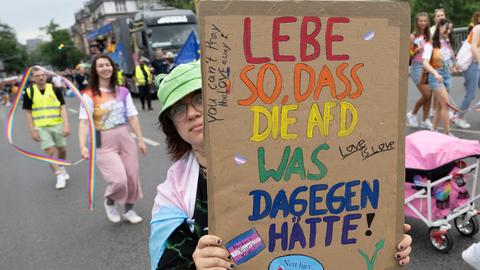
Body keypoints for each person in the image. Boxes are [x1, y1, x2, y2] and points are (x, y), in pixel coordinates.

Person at [149, 62, 413, 270]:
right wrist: (199, 264)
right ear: (172, 125)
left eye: (199, 99)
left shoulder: (288, 160)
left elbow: (335, 219)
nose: (192, 112)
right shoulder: (174, 197)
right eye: (178, 109)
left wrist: (384, 241)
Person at [78, 55, 147, 224]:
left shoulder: (122, 91)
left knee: (132, 177)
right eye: (100, 66)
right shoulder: (88, 95)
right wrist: (82, 146)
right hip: (103, 139)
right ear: (95, 70)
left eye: (107, 65)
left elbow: (132, 117)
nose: (105, 68)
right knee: (118, 180)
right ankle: (110, 200)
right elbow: (84, 122)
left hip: (125, 137)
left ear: (112, 67)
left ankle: (129, 210)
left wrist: (140, 139)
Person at [22, 66, 70, 189]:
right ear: (33, 78)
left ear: (46, 76)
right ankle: (58, 175)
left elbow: (62, 107)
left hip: (57, 123)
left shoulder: (54, 89)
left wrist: (66, 125)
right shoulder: (29, 92)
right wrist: (31, 130)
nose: (40, 77)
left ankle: (62, 166)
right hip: (41, 127)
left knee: (62, 149)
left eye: (42, 75)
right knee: (49, 151)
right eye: (37, 76)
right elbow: (28, 112)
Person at [422, 18, 455, 137]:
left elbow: (448, 60)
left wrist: (453, 66)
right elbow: (425, 63)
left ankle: (433, 130)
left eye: (450, 28)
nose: (449, 31)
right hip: (435, 77)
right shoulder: (430, 44)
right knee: (445, 104)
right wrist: (435, 73)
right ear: (439, 27)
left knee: (441, 105)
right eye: (447, 27)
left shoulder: (447, 42)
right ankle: (447, 133)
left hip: (446, 76)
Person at [407, 12, 433, 129]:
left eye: (425, 21)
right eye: (420, 21)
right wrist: (416, 51)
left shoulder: (429, 36)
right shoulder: (413, 36)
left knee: (430, 94)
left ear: (428, 22)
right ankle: (412, 113)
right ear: (417, 22)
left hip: (427, 66)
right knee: (426, 94)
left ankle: (425, 120)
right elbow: (408, 55)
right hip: (417, 66)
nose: (423, 23)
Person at [454, 20, 480, 129]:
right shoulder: (478, 28)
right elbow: (474, 47)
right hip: (472, 64)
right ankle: (459, 117)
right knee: (471, 93)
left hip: (476, 63)